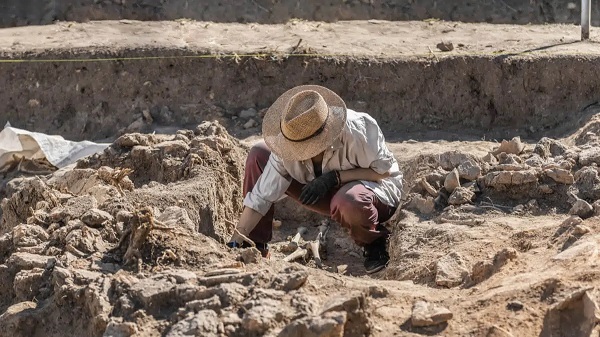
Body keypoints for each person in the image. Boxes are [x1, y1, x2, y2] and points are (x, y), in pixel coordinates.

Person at [227, 85, 403, 274]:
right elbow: (261, 196)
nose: (299, 153)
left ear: (325, 134)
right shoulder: (288, 141)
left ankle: (374, 242)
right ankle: (254, 246)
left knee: (349, 200)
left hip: (374, 192)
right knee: (259, 153)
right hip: (324, 193)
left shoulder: (358, 129)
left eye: (307, 147)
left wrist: (335, 178)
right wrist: (237, 238)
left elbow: (384, 172)